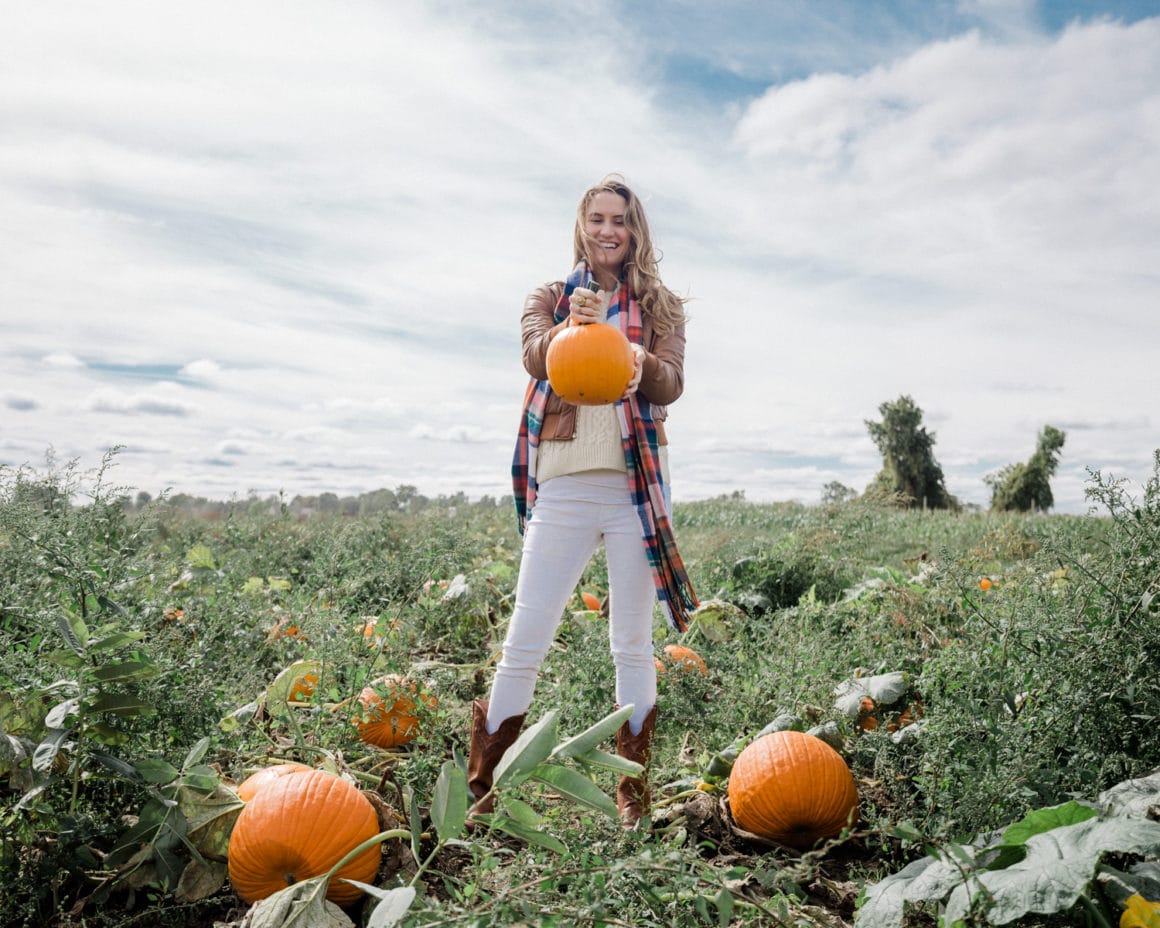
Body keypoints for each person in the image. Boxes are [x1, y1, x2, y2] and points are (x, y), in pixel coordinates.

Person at [467, 174, 699, 828]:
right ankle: (483, 788)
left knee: (631, 641)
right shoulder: (548, 297)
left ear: (635, 230)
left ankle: (633, 796)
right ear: (582, 226)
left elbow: (672, 383)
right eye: (597, 218)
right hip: (566, 484)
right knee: (525, 638)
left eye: (619, 219)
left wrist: (631, 354)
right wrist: (576, 323)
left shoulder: (661, 308)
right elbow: (536, 357)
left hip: (636, 489)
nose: (607, 230)